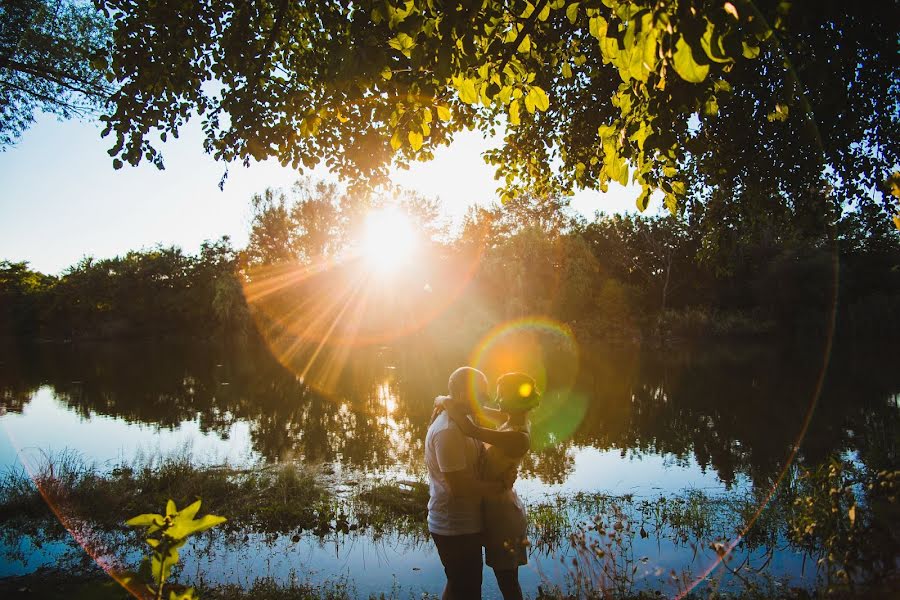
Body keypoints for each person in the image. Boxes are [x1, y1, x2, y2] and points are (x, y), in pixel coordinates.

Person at [439, 372, 540, 600]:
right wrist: (443, 399)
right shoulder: (509, 420)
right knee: (465, 577)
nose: (496, 398)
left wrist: (445, 401)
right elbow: (476, 411)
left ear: (515, 398)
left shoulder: (518, 436)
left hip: (504, 517)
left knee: (508, 583)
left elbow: (470, 429)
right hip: (490, 512)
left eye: (501, 393)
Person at [425, 366, 512, 600]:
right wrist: (501, 486)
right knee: (467, 588)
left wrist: (445, 399)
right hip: (453, 525)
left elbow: (508, 418)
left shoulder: (465, 418)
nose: (486, 399)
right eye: (481, 394)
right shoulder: (448, 432)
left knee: (461, 586)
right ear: (464, 395)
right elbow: (460, 487)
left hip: (466, 523)